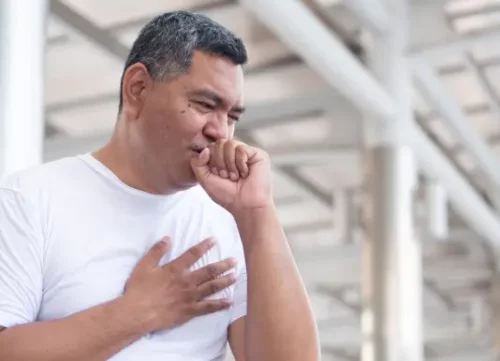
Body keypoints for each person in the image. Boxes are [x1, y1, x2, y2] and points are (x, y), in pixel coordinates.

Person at [0, 10, 320, 361]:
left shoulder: (230, 221)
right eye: (204, 104)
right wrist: (137, 313)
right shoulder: (27, 200)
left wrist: (258, 212)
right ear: (137, 89)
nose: (220, 131)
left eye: (232, 116)